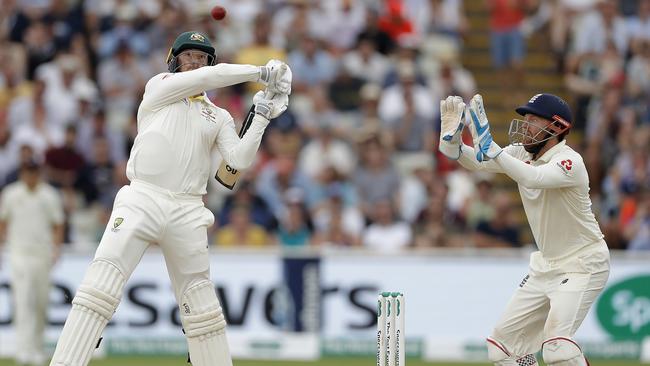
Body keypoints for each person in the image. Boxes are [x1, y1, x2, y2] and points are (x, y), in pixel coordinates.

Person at [48, 31, 291, 366]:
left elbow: (234, 165)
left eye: (202, 57)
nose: (195, 62)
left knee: (203, 312)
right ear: (174, 60)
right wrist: (260, 72)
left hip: (189, 209)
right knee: (99, 288)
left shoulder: (218, 115)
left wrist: (261, 115)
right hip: (142, 197)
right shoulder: (159, 86)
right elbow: (210, 78)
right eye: (188, 55)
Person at [438, 93, 610, 366]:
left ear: (555, 127)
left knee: (557, 349)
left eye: (533, 120)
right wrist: (455, 147)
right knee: (502, 348)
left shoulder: (569, 162)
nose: (525, 125)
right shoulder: (521, 154)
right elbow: (481, 160)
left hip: (583, 263)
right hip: (545, 265)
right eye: (525, 118)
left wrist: (491, 148)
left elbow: (535, 177)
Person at [0, 160, 64, 366]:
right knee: (23, 300)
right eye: (27, 173)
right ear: (22, 173)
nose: (31, 177)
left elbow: (58, 224)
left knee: (41, 303)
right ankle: (23, 350)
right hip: (19, 254)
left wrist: (56, 249)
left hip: (42, 255)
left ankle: (37, 348)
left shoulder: (49, 195)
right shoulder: (11, 194)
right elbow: (3, 222)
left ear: (39, 174)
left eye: (34, 173)